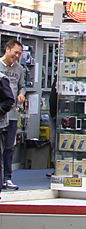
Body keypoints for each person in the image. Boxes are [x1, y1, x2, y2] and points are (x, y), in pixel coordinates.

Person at [0, 40, 25, 191]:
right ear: (7, 49)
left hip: (12, 114)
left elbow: (23, 86)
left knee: (9, 147)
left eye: (20, 54)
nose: (17, 56)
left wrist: (22, 93)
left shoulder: (19, 69)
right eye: (15, 52)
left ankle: (7, 177)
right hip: (1, 114)